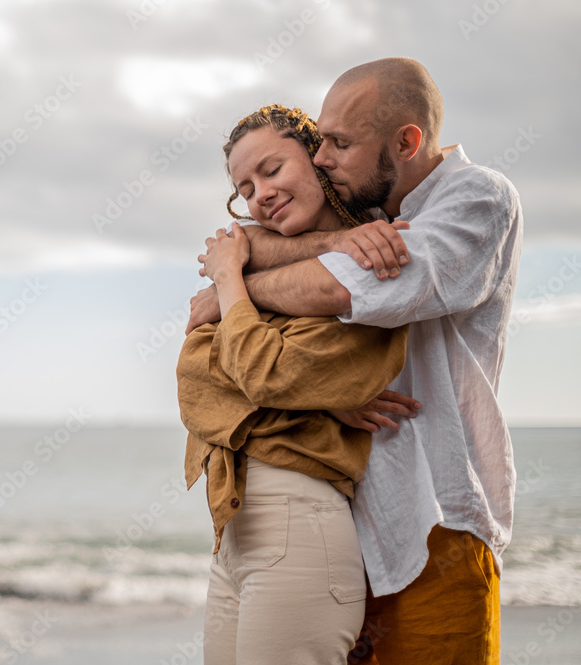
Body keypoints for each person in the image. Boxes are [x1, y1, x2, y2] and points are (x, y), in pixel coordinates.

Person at [187, 57, 523, 664]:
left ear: (406, 142)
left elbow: (353, 288)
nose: (321, 158)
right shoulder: (366, 216)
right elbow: (257, 243)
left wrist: (230, 288)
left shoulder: (475, 198)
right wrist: (267, 260)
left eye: (338, 143)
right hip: (348, 519)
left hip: (433, 517)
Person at [177, 104, 409, 664]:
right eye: (245, 187)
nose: (260, 194)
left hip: (299, 523)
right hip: (235, 528)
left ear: (319, 158)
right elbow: (194, 377)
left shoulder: (371, 266)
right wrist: (322, 401)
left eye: (273, 169)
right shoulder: (266, 266)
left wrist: (229, 282)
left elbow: (262, 372)